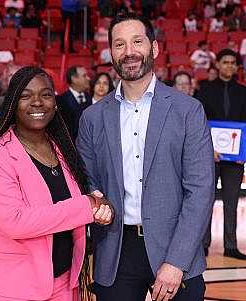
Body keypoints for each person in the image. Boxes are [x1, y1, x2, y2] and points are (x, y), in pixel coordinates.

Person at [76, 13, 215, 301]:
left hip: (176, 248)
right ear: (111, 53)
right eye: (119, 44)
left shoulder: (188, 111)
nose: (129, 52)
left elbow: (200, 191)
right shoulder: (92, 118)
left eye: (137, 42)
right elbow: (85, 180)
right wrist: (94, 198)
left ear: (154, 48)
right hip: (116, 253)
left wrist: (177, 261)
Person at [0, 66, 114, 301]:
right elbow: (16, 222)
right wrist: (87, 206)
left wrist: (97, 207)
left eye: (46, 95)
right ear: (13, 103)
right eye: (26, 96)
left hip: (64, 284)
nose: (37, 102)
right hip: (10, 288)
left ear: (55, 103)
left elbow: (71, 202)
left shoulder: (62, 149)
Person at [198, 49, 246, 260]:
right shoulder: (205, 90)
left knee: (231, 201)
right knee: (205, 201)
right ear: (217, 65)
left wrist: (243, 152)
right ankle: (202, 244)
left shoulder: (244, 92)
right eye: (225, 62)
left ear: (237, 67)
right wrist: (210, 149)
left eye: (232, 63)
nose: (229, 66)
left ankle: (231, 246)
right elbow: (199, 124)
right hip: (210, 156)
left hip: (235, 159)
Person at [56, 65, 91, 141]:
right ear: (74, 79)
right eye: (84, 76)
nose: (88, 78)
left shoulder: (91, 98)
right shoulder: (60, 100)